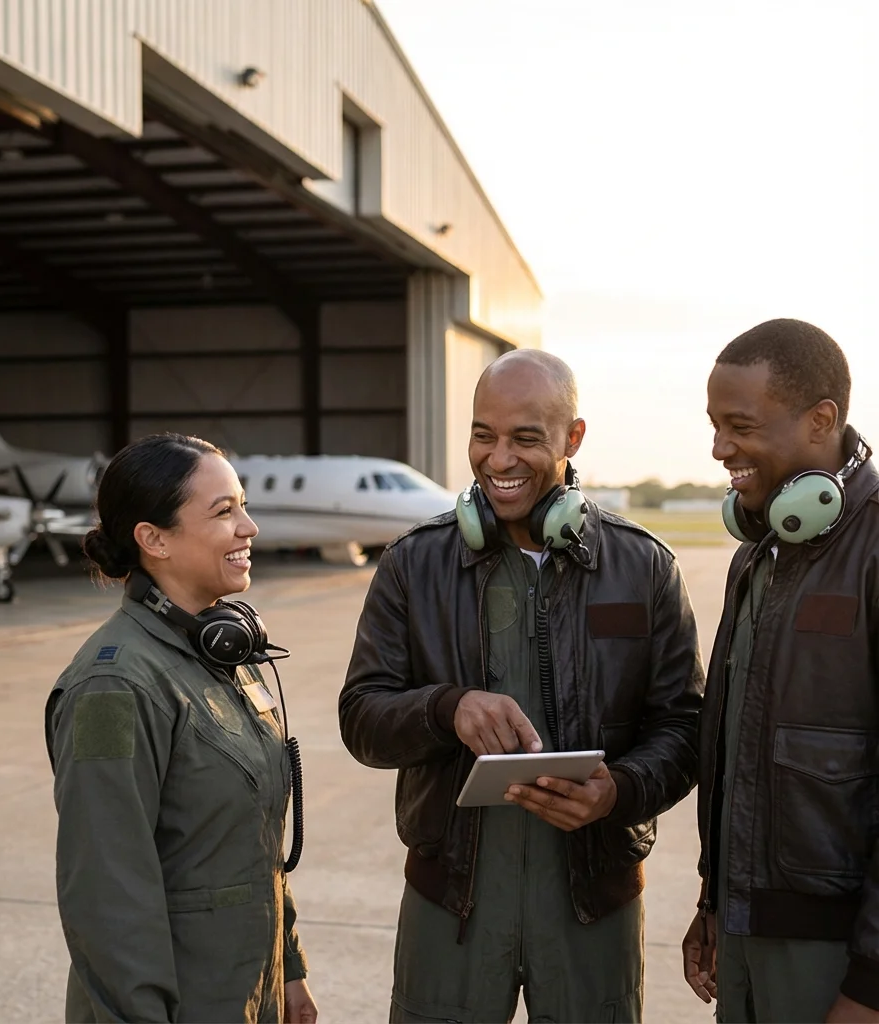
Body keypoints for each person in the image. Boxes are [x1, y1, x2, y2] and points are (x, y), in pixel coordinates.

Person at [339, 349, 704, 1023]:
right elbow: (361, 718)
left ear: (573, 439)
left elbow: (685, 727)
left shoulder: (644, 566)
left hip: (593, 904)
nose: (498, 459)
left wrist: (619, 792)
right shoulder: (413, 564)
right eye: (484, 434)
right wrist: (444, 709)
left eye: (525, 439)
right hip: (451, 902)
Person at [44, 433, 317, 1024]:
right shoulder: (112, 689)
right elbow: (105, 891)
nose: (249, 528)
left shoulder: (221, 655)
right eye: (224, 512)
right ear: (154, 539)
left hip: (247, 991)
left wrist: (287, 971)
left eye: (243, 505)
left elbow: (248, 841)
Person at [683, 319, 879, 1024]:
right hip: (743, 937)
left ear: (821, 420)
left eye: (740, 425)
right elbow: (735, 755)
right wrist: (714, 902)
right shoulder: (757, 555)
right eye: (714, 425)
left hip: (841, 961)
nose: (719, 448)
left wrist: (871, 984)